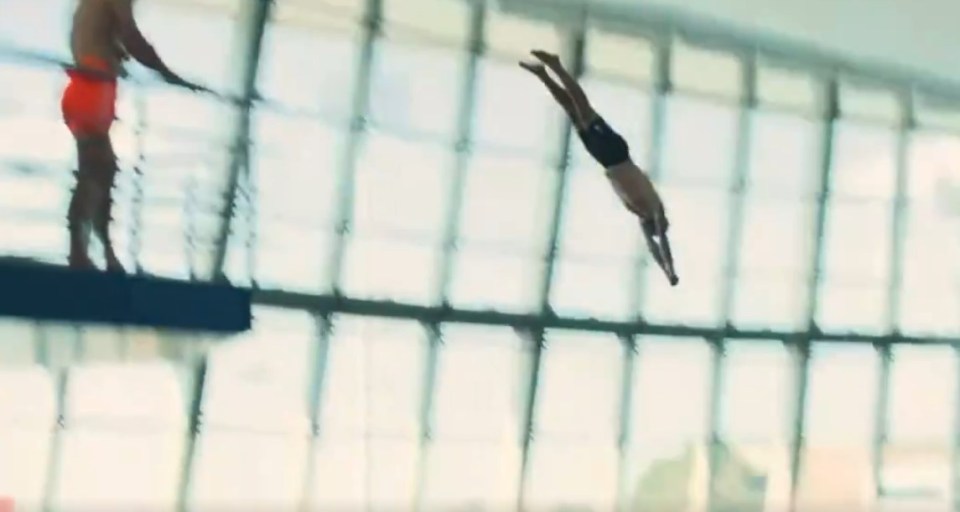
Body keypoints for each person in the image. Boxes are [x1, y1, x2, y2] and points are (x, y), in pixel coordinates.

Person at [63, 0, 205, 272]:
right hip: (94, 87)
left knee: (101, 171)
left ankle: (99, 252)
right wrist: (168, 74)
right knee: (95, 172)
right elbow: (132, 37)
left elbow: (92, 36)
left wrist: (112, 50)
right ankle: (82, 254)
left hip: (86, 84)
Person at [519, 49, 679, 286]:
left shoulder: (640, 216)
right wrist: (670, 269)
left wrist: (665, 272)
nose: (657, 229)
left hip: (604, 159)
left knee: (574, 113)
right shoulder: (655, 207)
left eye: (656, 229)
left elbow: (652, 247)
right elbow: (662, 245)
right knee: (584, 110)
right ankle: (556, 65)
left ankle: (542, 73)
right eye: (660, 227)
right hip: (616, 152)